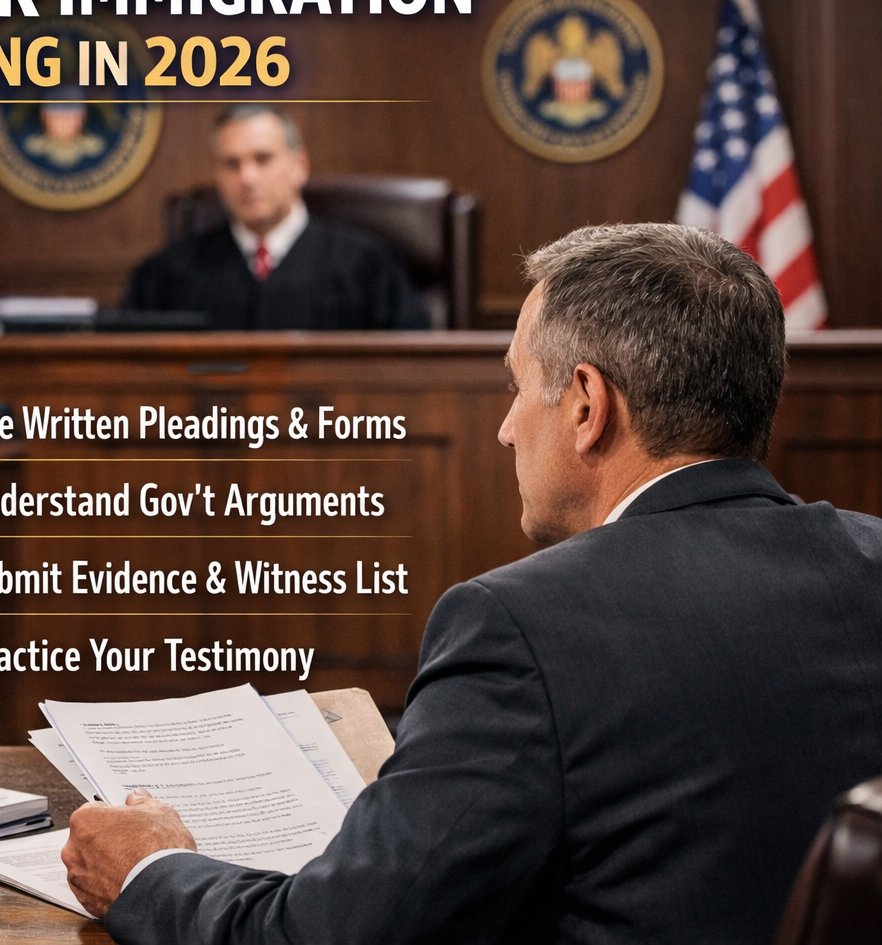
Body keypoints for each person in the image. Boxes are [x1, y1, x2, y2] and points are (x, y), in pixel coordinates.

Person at [65, 223, 882, 942]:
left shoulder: (525, 625)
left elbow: (322, 936)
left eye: (517, 386)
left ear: (586, 405)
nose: (503, 427)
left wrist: (152, 870)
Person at [123, 104, 428, 330]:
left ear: (300, 165)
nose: (247, 177)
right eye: (231, 164)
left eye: (263, 159)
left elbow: (410, 374)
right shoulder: (167, 275)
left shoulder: (366, 267)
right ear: (217, 174)